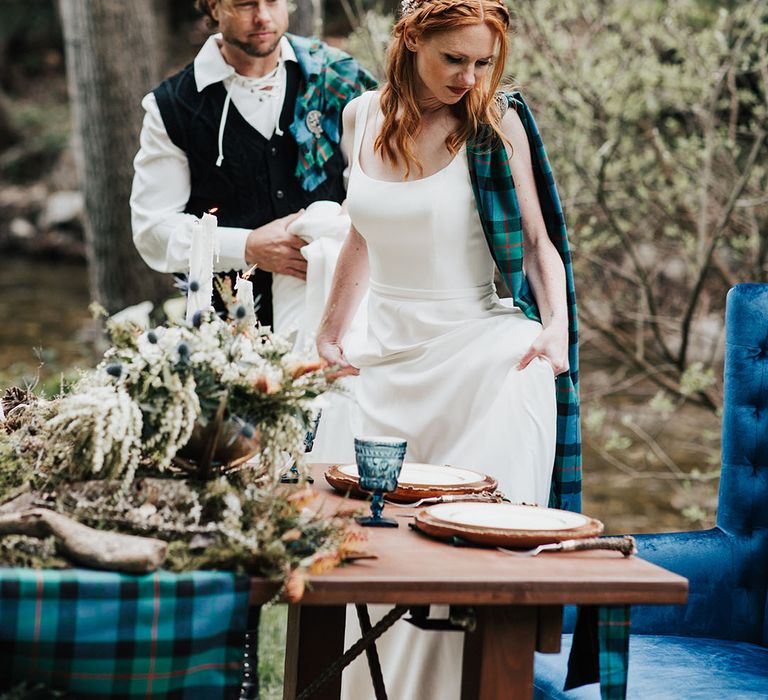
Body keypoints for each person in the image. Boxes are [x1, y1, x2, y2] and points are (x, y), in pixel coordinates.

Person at [316, 0, 582, 697]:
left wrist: (554, 327)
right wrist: (331, 329)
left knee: (459, 543)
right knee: (369, 551)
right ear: (411, 43)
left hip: (474, 346)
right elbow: (362, 233)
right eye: (453, 60)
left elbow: (538, 244)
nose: (470, 77)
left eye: (483, 62)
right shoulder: (359, 116)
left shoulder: (500, 123)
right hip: (385, 354)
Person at [130, 0, 376, 328]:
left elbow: (377, 179)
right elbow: (153, 229)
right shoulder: (172, 107)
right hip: (231, 332)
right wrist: (246, 246)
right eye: (245, 4)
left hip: (340, 312)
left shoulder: (337, 76)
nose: (262, 17)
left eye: (272, 1)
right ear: (214, 8)